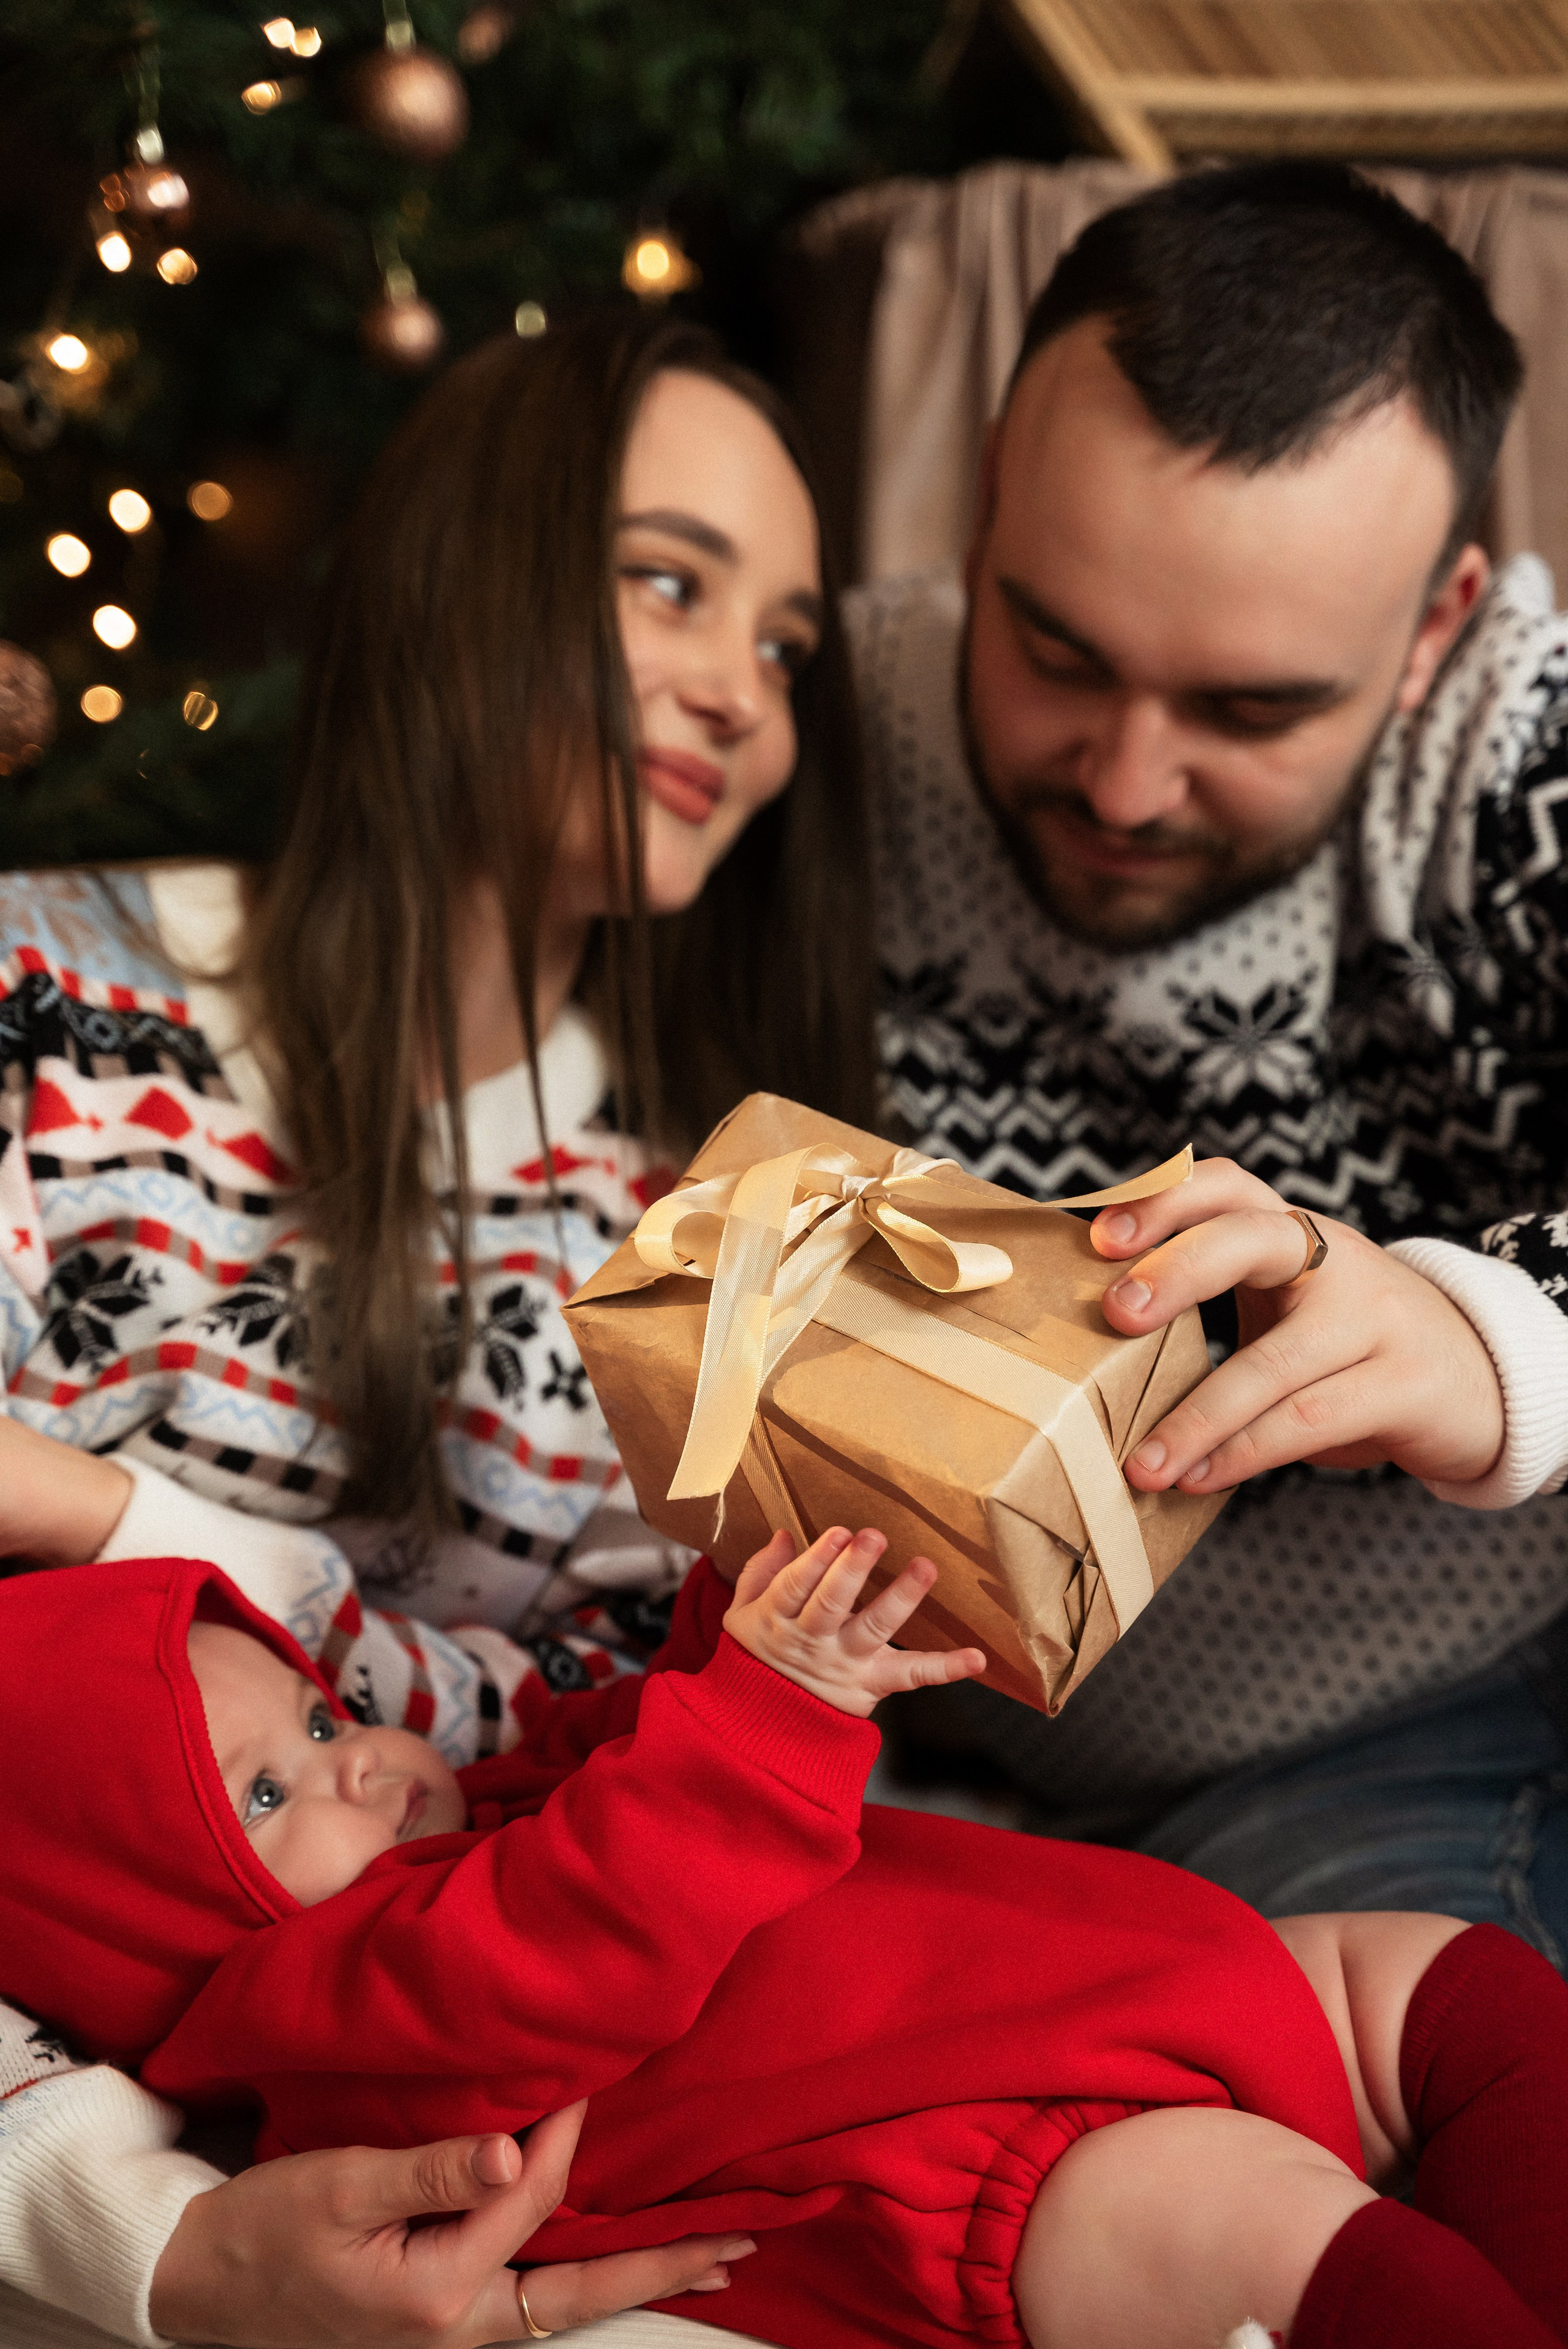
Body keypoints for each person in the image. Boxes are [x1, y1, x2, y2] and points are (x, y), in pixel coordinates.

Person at [0, 306, 869, 2347]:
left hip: (456, 2135)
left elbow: (611, 1756)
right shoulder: (45, 993)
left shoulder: (686, 1227)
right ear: (460, 571)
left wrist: (118, 1534)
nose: (740, 696)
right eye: (669, 582)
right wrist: (136, 2231)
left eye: (788, 648)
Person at [4, 1529, 1568, 2349]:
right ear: (153, 1925)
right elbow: (581, 1923)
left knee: (1455, 1987)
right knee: (1301, 2249)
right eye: (263, 1794)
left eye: (319, 1715)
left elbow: (645, 1741)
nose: (353, 1761)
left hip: (1101, 1980)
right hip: (1007, 2164)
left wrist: (750, 1594)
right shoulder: (321, 2027)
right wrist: (776, 1703)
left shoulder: (475, 1809)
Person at [859, 159, 1568, 1935]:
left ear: (1435, 626)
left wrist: (1498, 1337)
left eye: (1251, 709)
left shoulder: (1516, 754)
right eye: (1055, 651)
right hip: (906, 1757)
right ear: (985, 508)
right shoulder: (818, 721)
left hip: (1421, 1734)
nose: (1122, 786)